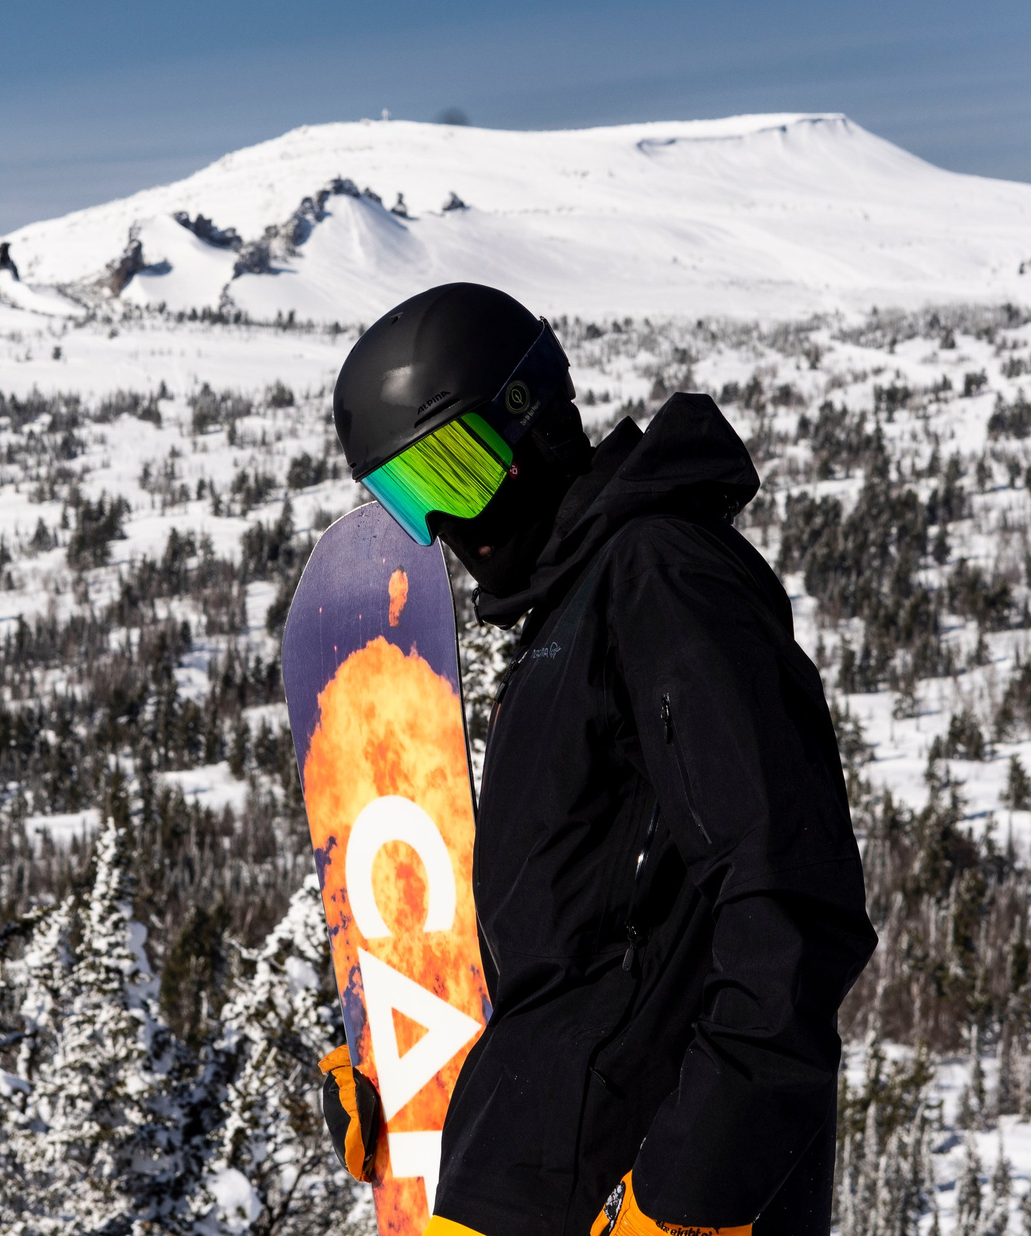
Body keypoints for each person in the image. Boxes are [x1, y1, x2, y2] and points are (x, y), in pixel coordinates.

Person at [316, 282, 875, 1236]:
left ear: (533, 418)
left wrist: (694, 1193)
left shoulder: (662, 578)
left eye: (455, 471)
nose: (448, 526)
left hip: (632, 1199)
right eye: (413, 497)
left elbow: (790, 894)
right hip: (528, 1188)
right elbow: (585, 958)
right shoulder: (565, 620)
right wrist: (421, 1096)